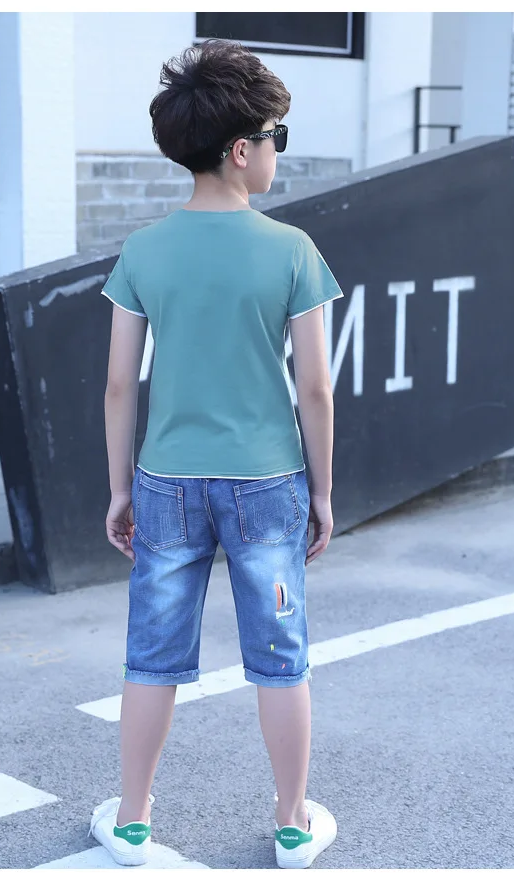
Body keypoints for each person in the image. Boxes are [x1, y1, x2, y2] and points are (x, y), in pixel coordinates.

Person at [91, 38, 343, 869]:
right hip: (267, 483)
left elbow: (120, 385)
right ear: (241, 149)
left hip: (165, 482)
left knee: (152, 656)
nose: (277, 152)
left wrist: (120, 489)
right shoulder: (292, 250)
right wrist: (322, 492)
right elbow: (315, 389)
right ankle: (293, 823)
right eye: (276, 137)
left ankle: (132, 821)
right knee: (280, 659)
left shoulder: (143, 249)